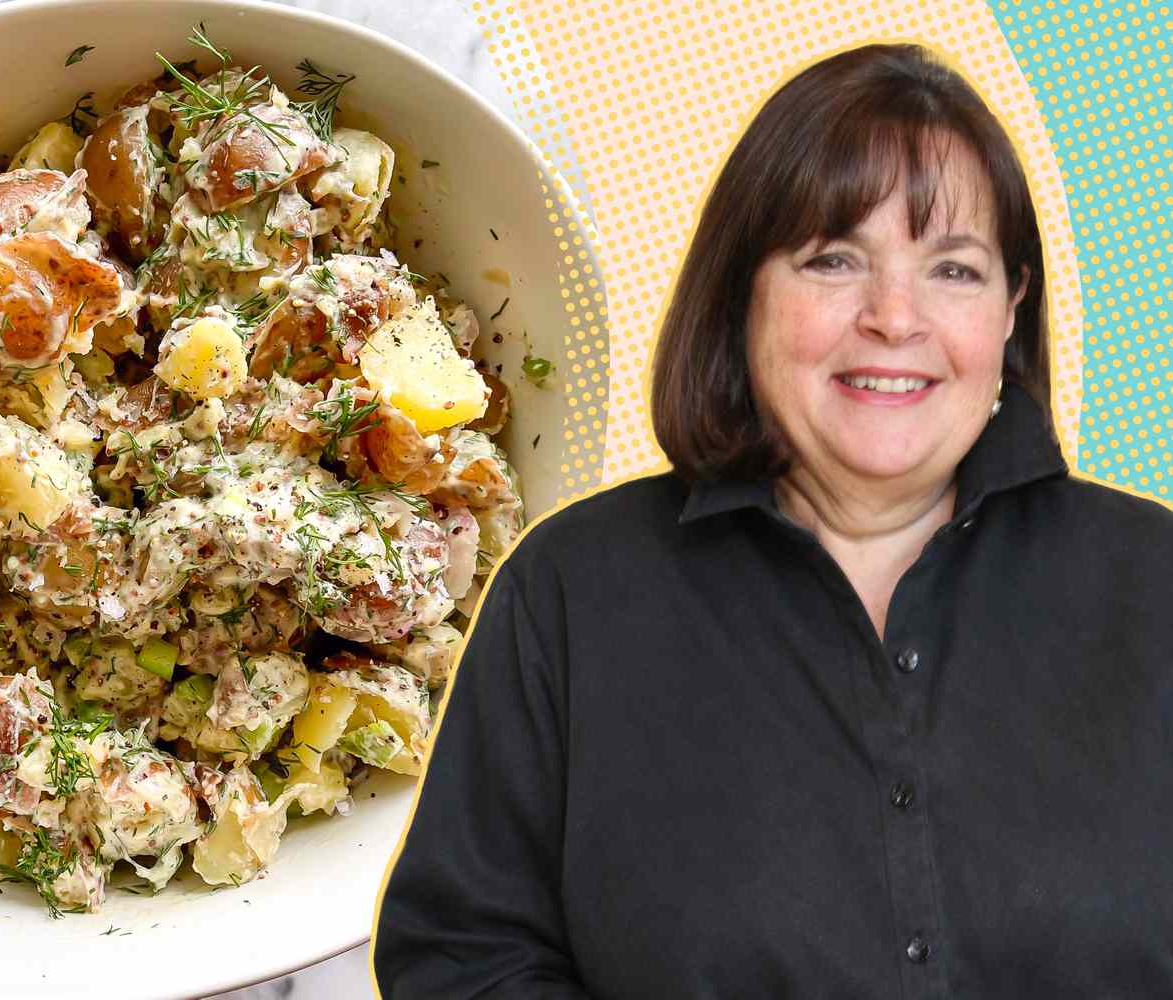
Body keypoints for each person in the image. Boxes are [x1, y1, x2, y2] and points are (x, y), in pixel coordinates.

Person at [371, 42, 1173, 998]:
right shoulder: (573, 591)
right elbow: (460, 961)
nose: (895, 317)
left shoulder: (1155, 582)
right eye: (834, 260)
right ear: (740, 294)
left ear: (1011, 309)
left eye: (955, 271)